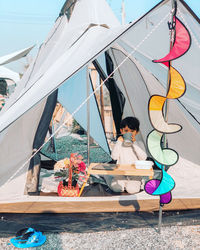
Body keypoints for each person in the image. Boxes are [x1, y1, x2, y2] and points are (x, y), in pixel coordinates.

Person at [105, 116, 147, 194]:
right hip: (121, 173)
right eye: (126, 131)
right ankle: (107, 177)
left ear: (137, 132)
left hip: (135, 174)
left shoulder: (139, 143)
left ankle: (138, 182)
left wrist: (134, 144)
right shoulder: (119, 144)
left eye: (132, 131)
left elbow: (143, 158)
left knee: (132, 190)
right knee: (117, 188)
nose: (129, 133)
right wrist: (119, 142)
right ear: (122, 131)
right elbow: (114, 156)